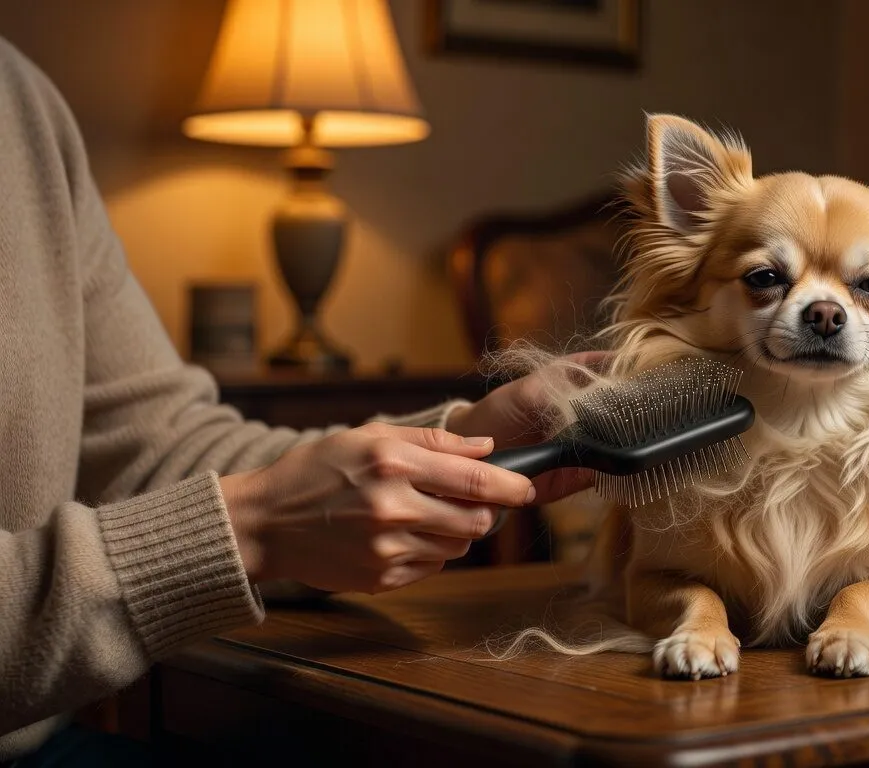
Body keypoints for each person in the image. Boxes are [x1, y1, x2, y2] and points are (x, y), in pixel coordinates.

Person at [0, 37, 593, 764]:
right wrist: (250, 529)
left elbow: (158, 447)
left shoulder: (21, 103)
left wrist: (468, 439)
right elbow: (242, 512)